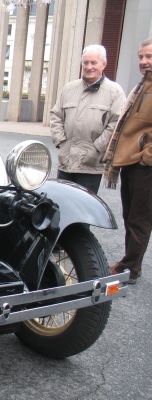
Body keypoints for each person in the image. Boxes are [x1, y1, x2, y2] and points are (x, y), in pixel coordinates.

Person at [102, 38, 152, 285]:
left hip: (144, 165)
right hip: (131, 161)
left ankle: (131, 268)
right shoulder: (143, 85)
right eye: (141, 57)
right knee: (130, 216)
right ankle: (130, 262)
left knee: (139, 219)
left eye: (149, 56)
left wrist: (146, 157)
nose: (144, 61)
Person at [50, 45, 126, 194]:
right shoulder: (69, 88)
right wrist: (61, 141)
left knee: (84, 205)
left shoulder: (114, 92)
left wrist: (97, 148)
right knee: (62, 202)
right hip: (66, 162)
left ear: (104, 64)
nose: (89, 67)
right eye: (85, 62)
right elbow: (56, 116)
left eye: (93, 63)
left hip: (90, 164)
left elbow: (116, 124)